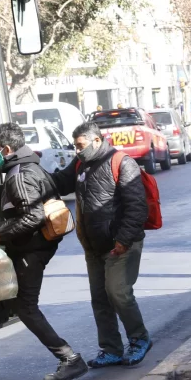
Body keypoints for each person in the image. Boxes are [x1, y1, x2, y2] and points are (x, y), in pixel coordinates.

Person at [0, 123, 88, 380]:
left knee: (26, 307)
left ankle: (70, 359)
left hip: (33, 248)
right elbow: (7, 196)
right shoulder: (26, 166)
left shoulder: (20, 174)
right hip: (36, 245)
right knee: (21, 303)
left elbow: (33, 215)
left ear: (6, 149)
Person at [51, 122, 151, 367]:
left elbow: (137, 207)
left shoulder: (122, 162)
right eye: (75, 146)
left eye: (80, 146)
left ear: (96, 141)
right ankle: (111, 349)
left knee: (118, 293)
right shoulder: (80, 164)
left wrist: (123, 241)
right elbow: (57, 183)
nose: (77, 151)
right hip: (93, 247)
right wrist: (28, 170)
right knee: (100, 298)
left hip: (120, 245)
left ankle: (139, 340)